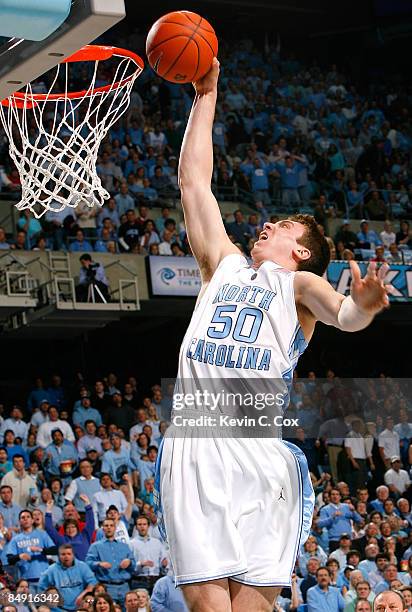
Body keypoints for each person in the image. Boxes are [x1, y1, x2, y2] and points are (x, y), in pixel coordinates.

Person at [155, 58, 392, 612]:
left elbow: (343, 316)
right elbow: (194, 182)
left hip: (260, 455)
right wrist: (205, 94)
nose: (268, 224)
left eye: (283, 226)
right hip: (196, 446)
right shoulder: (223, 264)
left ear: (302, 250)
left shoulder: (300, 285)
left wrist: (362, 307)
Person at [85, 517, 135, 602]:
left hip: (125, 587)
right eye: (106, 525)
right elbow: (88, 563)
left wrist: (129, 562)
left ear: (115, 528)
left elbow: (133, 565)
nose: (109, 527)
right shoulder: (95, 546)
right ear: (102, 528)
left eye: (111, 525)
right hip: (107, 587)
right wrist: (99, 564)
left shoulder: (124, 546)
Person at [38, 543, 96, 611]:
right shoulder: (51, 570)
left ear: (73, 555)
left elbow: (93, 582)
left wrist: (85, 592)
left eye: (69, 554)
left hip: (80, 607)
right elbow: (41, 587)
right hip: (59, 609)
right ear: (59, 556)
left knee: (91, 600)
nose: (66, 556)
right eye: (63, 554)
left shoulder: (82, 566)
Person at [6, 510, 55, 588]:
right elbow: (9, 559)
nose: (25, 519)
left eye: (28, 517)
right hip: (26, 582)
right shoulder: (16, 539)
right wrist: (19, 556)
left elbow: (55, 550)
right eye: (23, 517)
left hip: (43, 578)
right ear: (19, 522)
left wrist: (40, 550)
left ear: (32, 521)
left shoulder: (42, 534)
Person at [45, 495, 95, 560]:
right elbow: (49, 529)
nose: (70, 529)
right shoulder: (62, 540)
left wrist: (87, 504)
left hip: (85, 568)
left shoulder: (85, 536)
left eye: (72, 527)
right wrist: (48, 509)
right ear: (65, 530)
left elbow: (90, 522)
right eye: (68, 527)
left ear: (77, 528)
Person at [129, 515, 168, 593]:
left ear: (148, 526)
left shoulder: (157, 543)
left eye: (144, 524)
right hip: (139, 580)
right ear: (136, 527)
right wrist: (141, 564)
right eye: (139, 525)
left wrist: (164, 565)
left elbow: (163, 565)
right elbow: (130, 566)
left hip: (156, 579)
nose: (142, 527)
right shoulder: (131, 544)